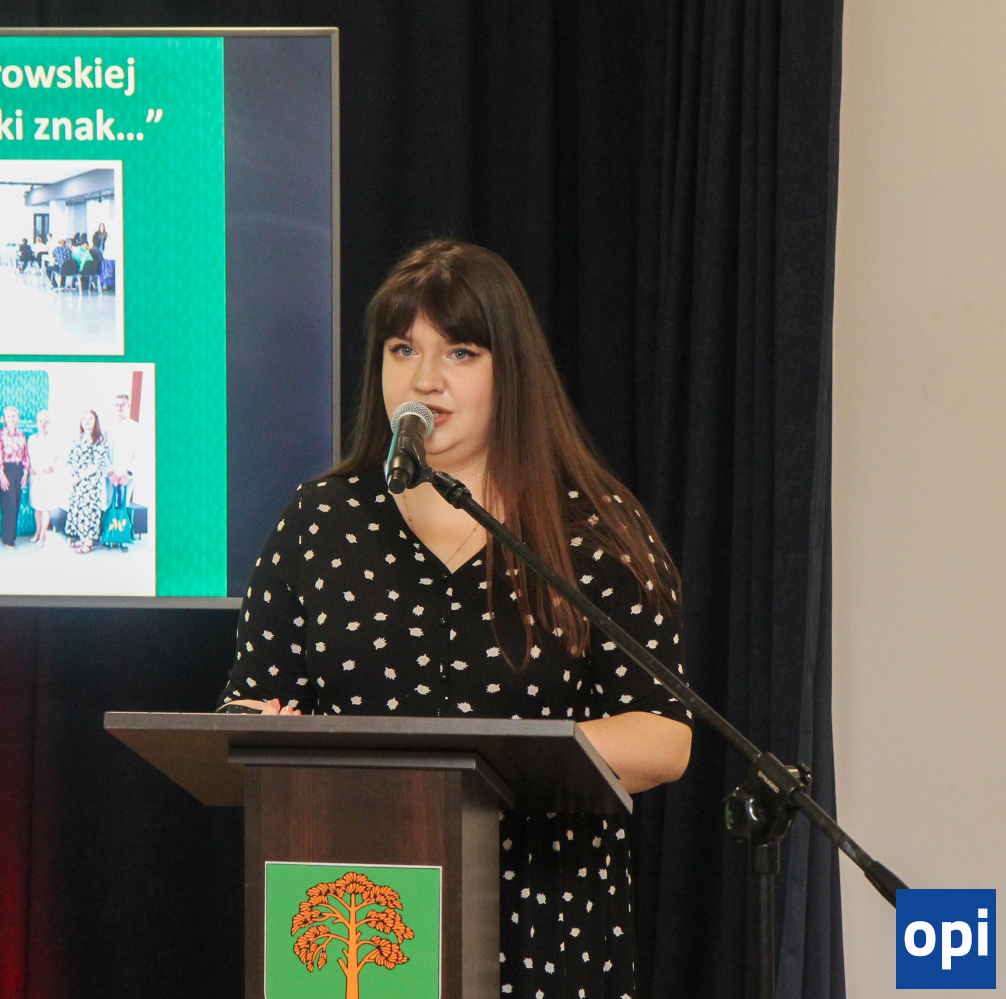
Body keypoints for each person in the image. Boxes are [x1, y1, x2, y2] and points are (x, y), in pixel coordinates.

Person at [217, 240, 693, 999]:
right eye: (403, 349)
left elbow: (664, 735)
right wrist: (262, 726)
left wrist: (484, 764)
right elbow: (248, 706)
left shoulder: (591, 529)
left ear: (512, 372)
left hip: (545, 919)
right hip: (354, 914)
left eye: (460, 352)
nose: (425, 379)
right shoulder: (320, 522)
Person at [64, 409, 109, 554]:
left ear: (95, 422)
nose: (87, 421)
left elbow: (96, 465)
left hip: (90, 485)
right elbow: (70, 459)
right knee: (78, 511)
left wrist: (78, 477)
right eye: (84, 418)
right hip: (76, 484)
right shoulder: (77, 438)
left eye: (90, 418)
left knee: (90, 513)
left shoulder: (99, 440)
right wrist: (71, 476)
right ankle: (82, 539)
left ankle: (89, 543)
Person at [0, 405, 29, 548]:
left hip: (18, 469)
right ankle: (8, 540)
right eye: (8, 416)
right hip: (6, 470)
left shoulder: (21, 435)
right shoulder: (0, 434)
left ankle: (10, 536)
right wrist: (1, 475)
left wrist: (26, 473)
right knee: (8, 506)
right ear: (4, 419)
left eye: (14, 416)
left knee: (15, 505)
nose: (11, 419)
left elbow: (25, 454)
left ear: (18, 419)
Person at [26, 409, 61, 546]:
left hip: (48, 477)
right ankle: (37, 531)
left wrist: (52, 467)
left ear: (49, 423)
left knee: (46, 507)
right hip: (36, 477)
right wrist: (29, 468)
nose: (43, 424)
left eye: (46, 421)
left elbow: (62, 459)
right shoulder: (31, 439)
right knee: (37, 507)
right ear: (37, 422)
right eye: (40, 421)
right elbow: (27, 457)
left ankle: (43, 535)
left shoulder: (55, 439)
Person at [105, 393, 139, 509]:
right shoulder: (107, 428)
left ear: (128, 406)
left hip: (127, 477)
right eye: (117, 405)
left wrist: (129, 474)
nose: (119, 407)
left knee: (124, 509)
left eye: (123, 405)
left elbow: (139, 454)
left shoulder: (136, 428)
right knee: (109, 508)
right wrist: (110, 473)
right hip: (110, 476)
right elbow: (102, 453)